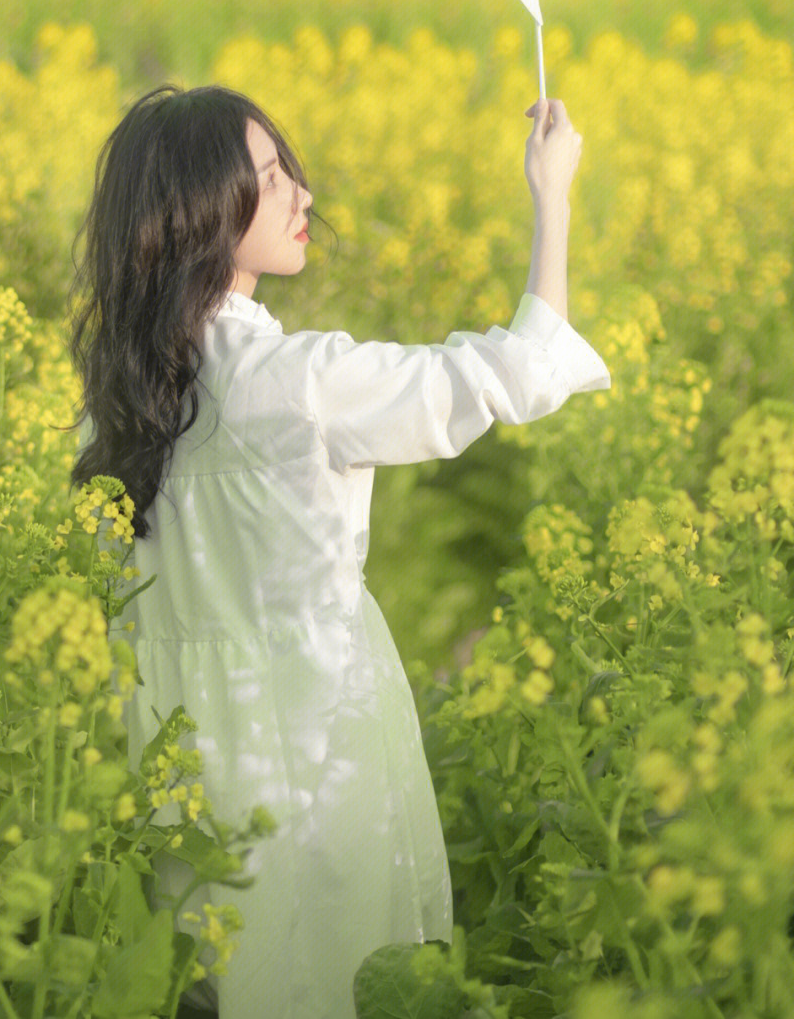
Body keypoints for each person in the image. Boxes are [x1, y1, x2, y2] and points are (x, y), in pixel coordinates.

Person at [67, 83, 610, 1019]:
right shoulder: (301, 381)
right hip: (311, 752)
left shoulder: (115, 405)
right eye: (270, 177)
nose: (302, 195)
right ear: (203, 213)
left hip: (171, 762)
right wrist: (551, 197)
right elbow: (518, 371)